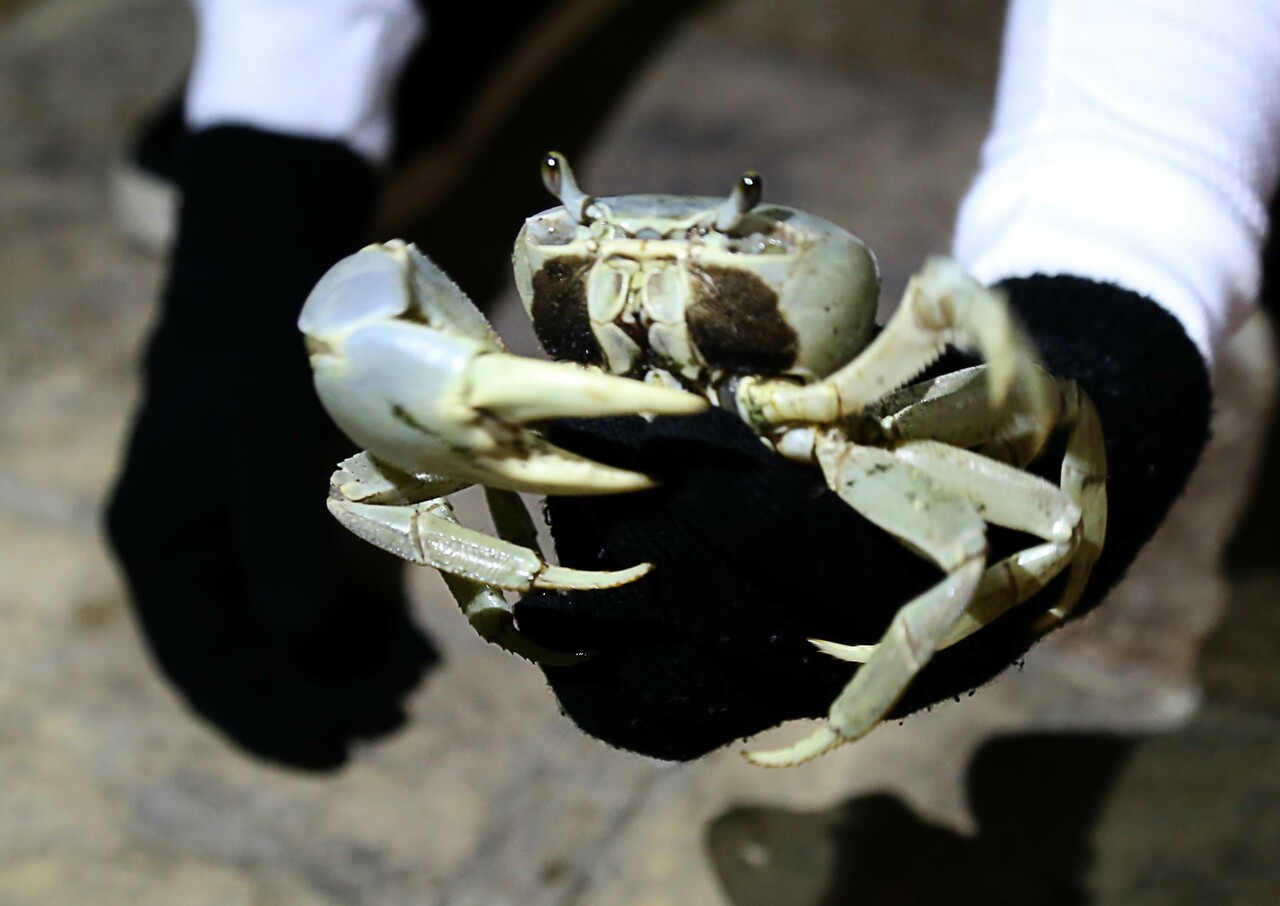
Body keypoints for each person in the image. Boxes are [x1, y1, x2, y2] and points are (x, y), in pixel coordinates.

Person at [105, 0, 1280, 767]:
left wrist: (1121, 263)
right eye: (578, 235)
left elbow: (1044, 459)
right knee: (365, 474)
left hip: (848, 417)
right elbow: (378, 479)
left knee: (999, 528)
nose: (637, 287)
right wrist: (266, 176)